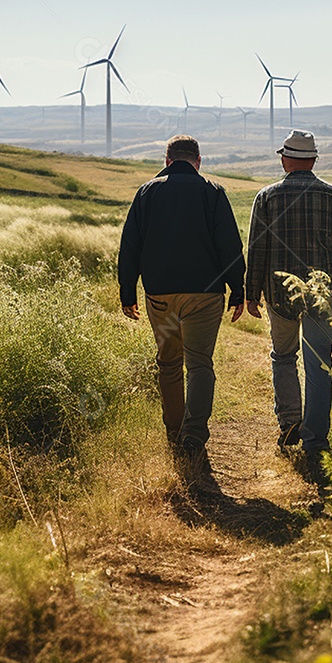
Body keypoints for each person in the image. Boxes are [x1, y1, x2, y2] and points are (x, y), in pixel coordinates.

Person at [117, 135, 245, 459]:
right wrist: (238, 290)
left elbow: (130, 245)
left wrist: (127, 291)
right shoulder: (213, 192)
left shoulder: (146, 192)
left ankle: (174, 432)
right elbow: (229, 244)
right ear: (198, 161)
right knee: (200, 364)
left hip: (160, 294)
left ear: (167, 160)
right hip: (205, 295)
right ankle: (194, 435)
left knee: (169, 363)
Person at [245, 130, 332, 466]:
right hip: (324, 297)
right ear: (313, 160)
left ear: (285, 159)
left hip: (279, 294)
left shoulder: (267, 197)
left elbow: (257, 249)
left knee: (283, 357)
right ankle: (315, 440)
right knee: (320, 364)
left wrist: (251, 293)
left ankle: (289, 423)